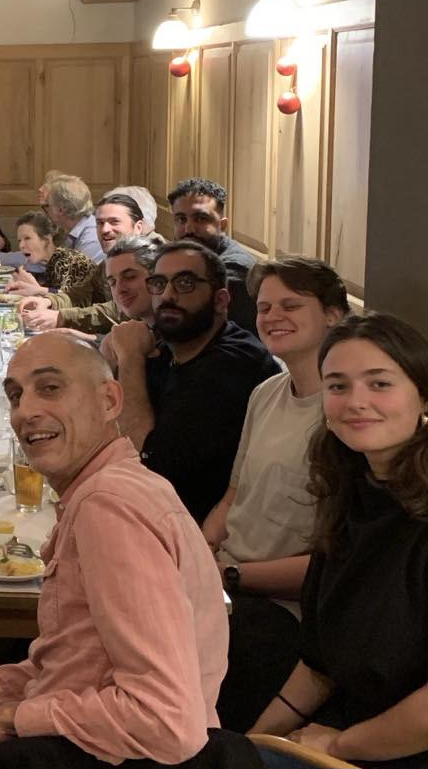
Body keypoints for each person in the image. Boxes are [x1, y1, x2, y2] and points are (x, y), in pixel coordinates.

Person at [0, 333, 244, 769]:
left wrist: (14, 718)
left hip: (105, 757)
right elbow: (72, 661)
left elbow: (168, 720)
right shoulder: (122, 485)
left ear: (110, 401)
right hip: (96, 733)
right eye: (15, 396)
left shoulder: (106, 508)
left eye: (50, 387)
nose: (25, 412)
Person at [251, 313, 428, 767]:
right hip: (345, 731)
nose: (356, 402)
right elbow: (320, 664)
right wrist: (254, 741)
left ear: (423, 395)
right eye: (338, 386)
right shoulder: (354, 497)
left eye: (379, 383)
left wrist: (338, 746)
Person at [204, 258, 348, 732]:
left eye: (291, 305)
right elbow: (234, 496)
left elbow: (331, 568)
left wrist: (229, 575)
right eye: (265, 307)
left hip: (280, 611)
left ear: (333, 315)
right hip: (226, 585)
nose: (272, 317)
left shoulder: (347, 418)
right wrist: (197, 553)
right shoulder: (266, 392)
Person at [105, 241, 280, 522]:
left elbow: (148, 463)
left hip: (204, 531)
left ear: (220, 301)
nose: (167, 295)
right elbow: (109, 429)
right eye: (159, 284)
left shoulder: (233, 362)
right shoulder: (169, 346)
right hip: (160, 513)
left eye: (184, 283)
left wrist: (129, 359)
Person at [18, 194, 151, 334]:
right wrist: (48, 301)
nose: (105, 229)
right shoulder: (110, 261)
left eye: (114, 222)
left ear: (138, 227)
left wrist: (62, 317)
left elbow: (122, 309)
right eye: (100, 223)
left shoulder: (151, 260)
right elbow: (81, 294)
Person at [168, 178, 258, 334]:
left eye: (200, 219)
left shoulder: (235, 269)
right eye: (181, 219)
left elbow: (191, 329)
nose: (188, 229)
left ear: (222, 225)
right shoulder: (191, 257)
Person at [0, 212, 98, 306]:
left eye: (27, 238)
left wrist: (36, 289)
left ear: (47, 240)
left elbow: (67, 300)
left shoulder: (69, 260)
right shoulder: (50, 262)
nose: (21, 245)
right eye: (19, 240)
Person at [41, 174, 104, 263]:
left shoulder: (91, 239)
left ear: (61, 209)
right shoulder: (73, 230)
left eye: (48, 205)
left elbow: (79, 272)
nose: (47, 211)